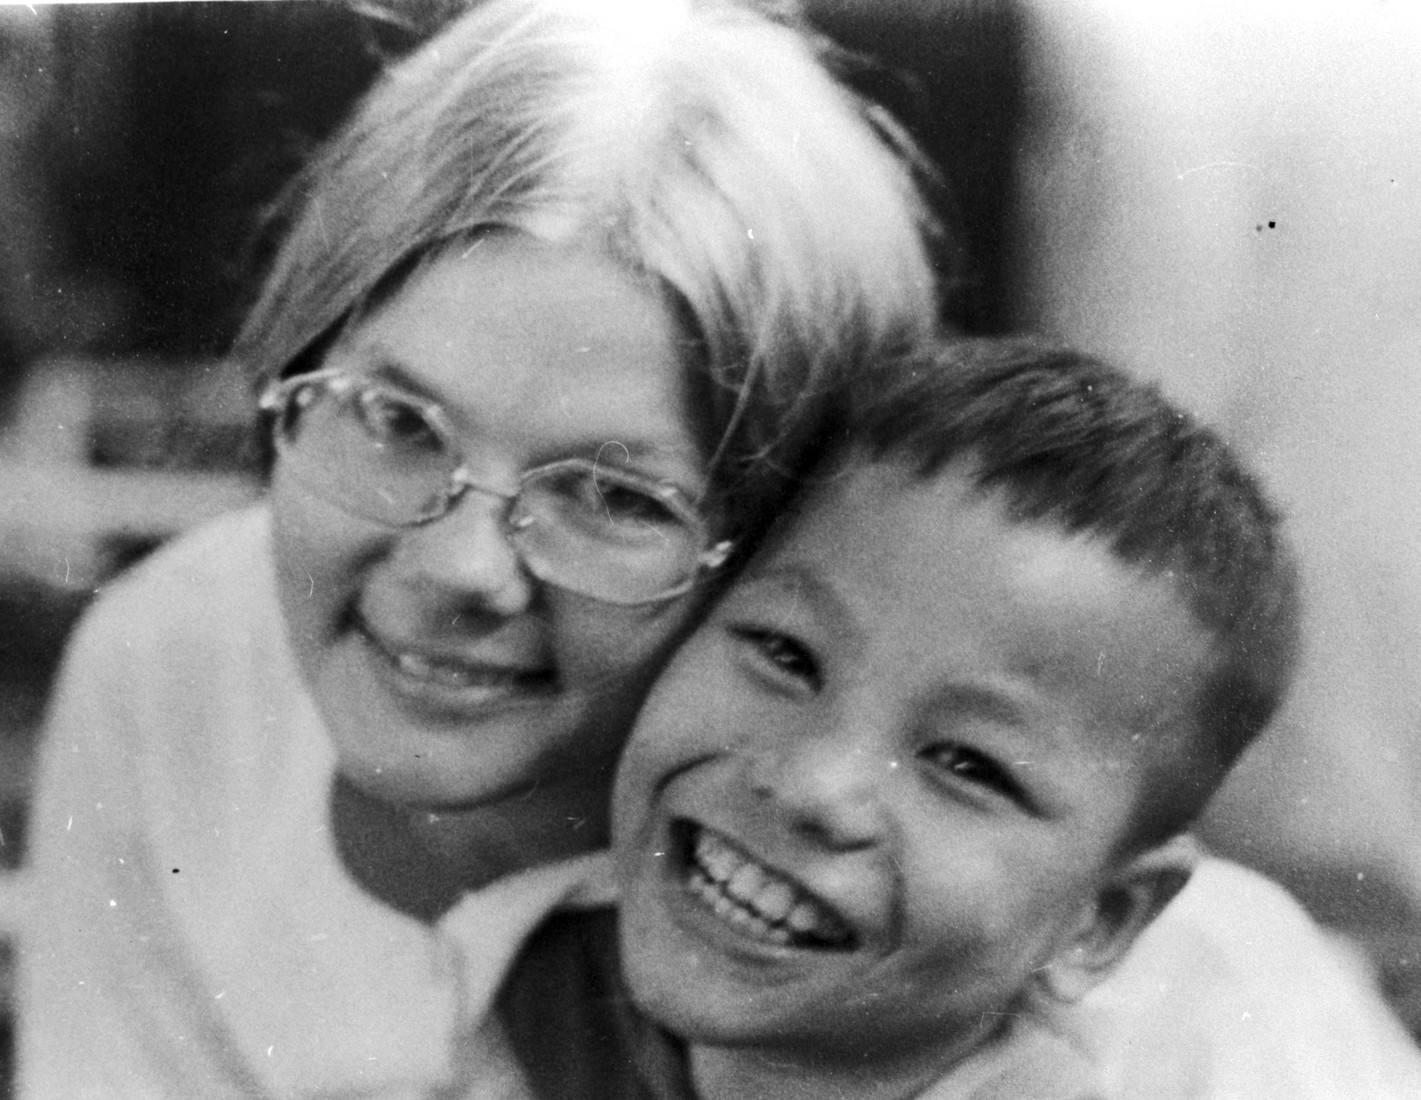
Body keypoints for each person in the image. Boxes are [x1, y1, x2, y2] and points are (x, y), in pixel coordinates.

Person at [19, 1, 938, 1097]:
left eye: (610, 495)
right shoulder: (175, 661)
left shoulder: (857, 857)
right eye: (395, 420)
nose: (459, 567)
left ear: (781, 542)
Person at [499, 338, 1421, 1099]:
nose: (815, 785)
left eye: (967, 764)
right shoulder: (529, 981)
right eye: (787, 656)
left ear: (1098, 921)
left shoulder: (1216, 1059)